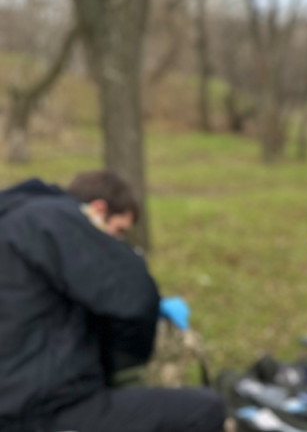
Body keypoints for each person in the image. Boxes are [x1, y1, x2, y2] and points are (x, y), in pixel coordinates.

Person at [0, 170, 225, 432]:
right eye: (118, 232)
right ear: (97, 211)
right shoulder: (51, 219)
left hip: (19, 398)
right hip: (40, 409)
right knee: (206, 409)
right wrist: (128, 359)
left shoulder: (14, 223)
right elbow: (134, 297)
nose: (116, 243)